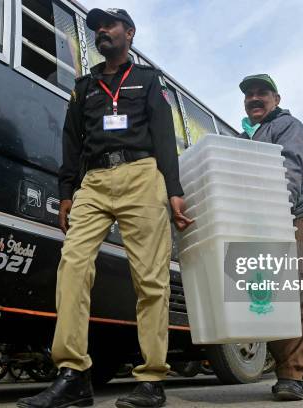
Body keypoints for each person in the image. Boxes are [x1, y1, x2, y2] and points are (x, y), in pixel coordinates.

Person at [17, 8, 193, 408]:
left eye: (110, 25)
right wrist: (66, 192)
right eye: (96, 27)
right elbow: (71, 142)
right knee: (73, 266)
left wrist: (174, 189)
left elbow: (164, 136)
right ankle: (73, 374)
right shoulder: (84, 87)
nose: (101, 31)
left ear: (129, 33)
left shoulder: (149, 81)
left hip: (142, 176)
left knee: (150, 280)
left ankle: (151, 379)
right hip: (93, 183)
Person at [237, 74, 303, 401]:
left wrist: (279, 210)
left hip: (293, 216)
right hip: (261, 221)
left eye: (262, 93)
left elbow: (290, 166)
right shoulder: (253, 134)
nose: (254, 99)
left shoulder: (290, 127)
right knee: (267, 294)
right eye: (249, 95)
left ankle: (291, 372)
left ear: (277, 98)